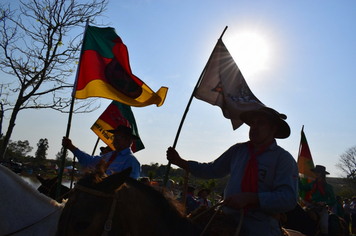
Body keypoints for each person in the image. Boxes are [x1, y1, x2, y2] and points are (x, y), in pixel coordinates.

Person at [166, 107, 299, 235]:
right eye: (252, 123)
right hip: (226, 218)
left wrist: (251, 198)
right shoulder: (238, 151)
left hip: (260, 225)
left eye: (261, 123)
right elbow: (211, 170)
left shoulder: (284, 159)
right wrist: (181, 162)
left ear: (273, 128)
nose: (254, 127)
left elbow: (288, 198)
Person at [62, 125, 141, 179]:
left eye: (119, 136)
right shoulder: (108, 156)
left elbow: (129, 188)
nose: (115, 139)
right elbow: (89, 161)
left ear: (128, 140)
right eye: (114, 136)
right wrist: (72, 147)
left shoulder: (131, 161)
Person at [299, 165, 336, 236]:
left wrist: (324, 202)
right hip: (310, 206)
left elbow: (333, 200)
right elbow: (302, 188)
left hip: (321, 209)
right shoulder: (312, 184)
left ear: (322, 174)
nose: (316, 173)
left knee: (324, 226)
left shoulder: (328, 187)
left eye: (318, 172)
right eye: (315, 172)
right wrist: (297, 178)